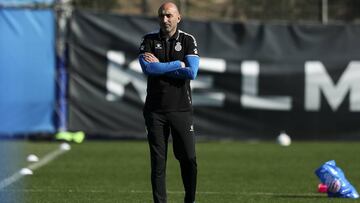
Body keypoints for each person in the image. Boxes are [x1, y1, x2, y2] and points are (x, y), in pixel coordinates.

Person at [138, 2, 200, 203]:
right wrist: (176, 65)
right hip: (155, 111)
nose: (165, 19)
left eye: (169, 15)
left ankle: (189, 199)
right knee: (158, 162)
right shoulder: (148, 40)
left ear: (178, 18)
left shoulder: (188, 40)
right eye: (162, 16)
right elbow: (149, 69)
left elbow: (191, 72)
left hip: (181, 109)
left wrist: (160, 66)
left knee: (188, 159)